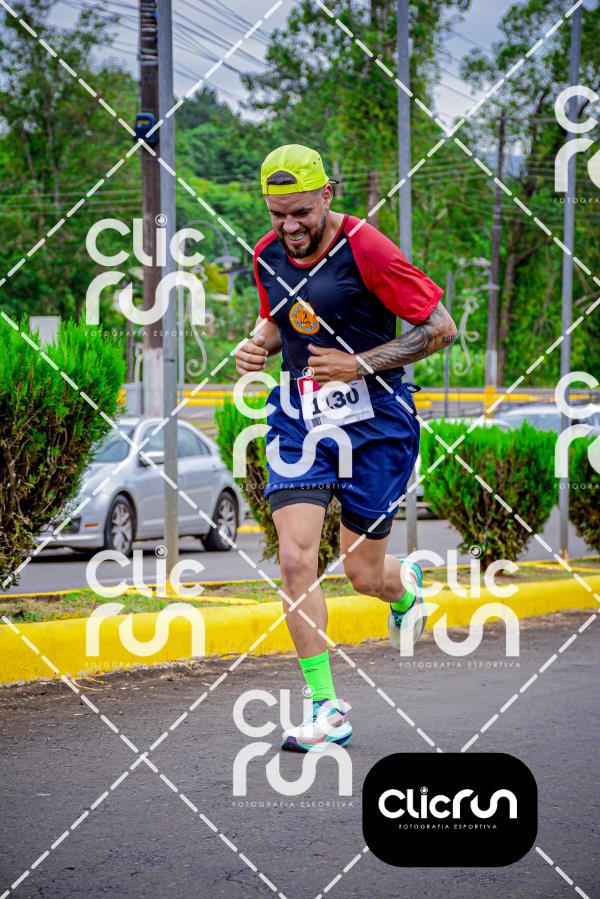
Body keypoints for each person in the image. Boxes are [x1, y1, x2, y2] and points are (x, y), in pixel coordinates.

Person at [235, 144, 457, 752]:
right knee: (295, 559)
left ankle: (403, 586)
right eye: (278, 214)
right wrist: (256, 345)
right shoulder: (266, 254)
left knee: (363, 574)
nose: (289, 227)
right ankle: (325, 707)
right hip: (300, 419)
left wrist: (358, 364)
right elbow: (279, 319)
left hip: (375, 423)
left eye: (301, 213)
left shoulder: (367, 248)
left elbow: (440, 329)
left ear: (327, 195)